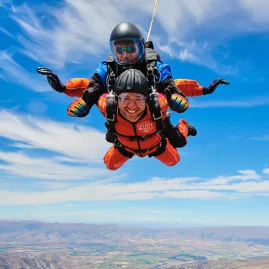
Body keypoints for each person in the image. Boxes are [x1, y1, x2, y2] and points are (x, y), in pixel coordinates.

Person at [38, 22, 230, 118]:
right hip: (122, 117)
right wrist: (66, 90)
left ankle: (181, 129)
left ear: (141, 47)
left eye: (131, 48)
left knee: (171, 135)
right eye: (120, 50)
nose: (126, 54)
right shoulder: (108, 67)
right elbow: (93, 86)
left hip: (151, 113)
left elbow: (168, 83)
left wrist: (177, 96)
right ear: (113, 50)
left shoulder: (152, 65)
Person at [67, 69, 196, 170]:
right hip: (126, 146)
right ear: (117, 99)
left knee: (174, 160)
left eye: (138, 98)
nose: (132, 106)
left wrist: (182, 95)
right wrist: (65, 89)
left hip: (155, 145)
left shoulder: (158, 103)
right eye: (125, 98)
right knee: (110, 165)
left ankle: (183, 126)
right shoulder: (107, 104)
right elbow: (89, 88)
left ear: (146, 99)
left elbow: (175, 88)